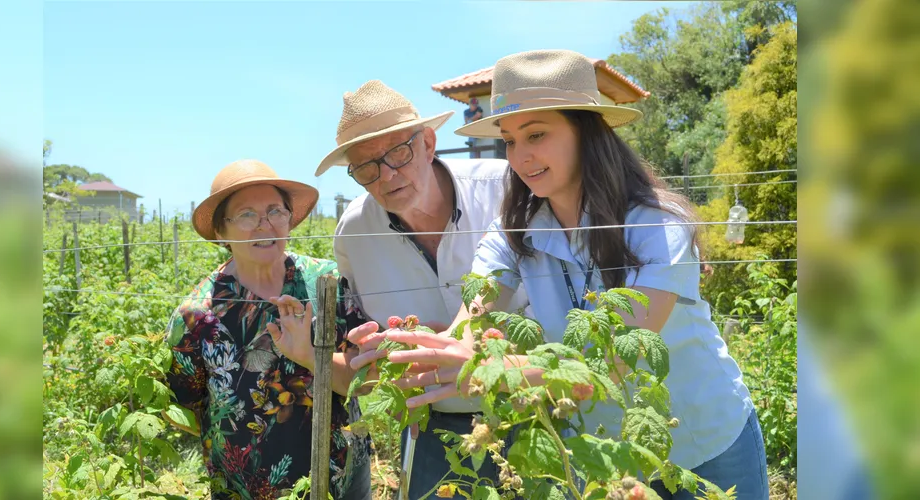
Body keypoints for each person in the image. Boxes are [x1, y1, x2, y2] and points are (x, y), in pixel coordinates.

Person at [359, 50, 770, 499]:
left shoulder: (657, 226)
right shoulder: (514, 231)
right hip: (605, 462)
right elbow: (473, 318)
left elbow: (617, 361)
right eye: (510, 140)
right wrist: (419, 348)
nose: (520, 157)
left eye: (536, 134)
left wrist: (485, 366)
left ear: (586, 131)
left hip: (705, 443)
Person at [314, 80, 529, 499]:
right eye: (365, 167)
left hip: (529, 409)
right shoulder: (353, 234)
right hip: (433, 429)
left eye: (398, 152)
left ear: (429, 143)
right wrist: (370, 346)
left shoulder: (507, 190)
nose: (386, 176)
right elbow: (362, 329)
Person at [163, 159, 372, 500]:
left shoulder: (328, 283)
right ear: (221, 232)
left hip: (344, 476)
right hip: (246, 489)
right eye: (246, 215)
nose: (265, 225)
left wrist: (308, 356)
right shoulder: (197, 317)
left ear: (290, 218)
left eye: (276, 211)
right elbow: (182, 409)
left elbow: (362, 383)